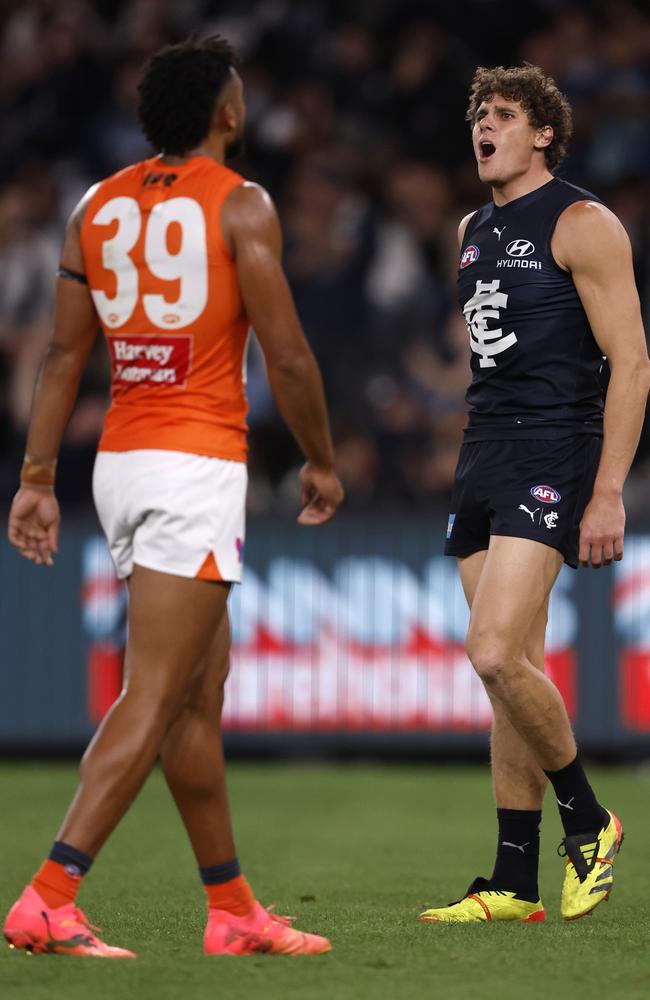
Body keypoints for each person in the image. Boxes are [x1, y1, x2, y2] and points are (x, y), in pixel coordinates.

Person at [4, 36, 343, 958]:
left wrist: (36, 478)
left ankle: (232, 911)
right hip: (195, 465)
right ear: (227, 113)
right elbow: (287, 354)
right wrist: (320, 459)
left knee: (197, 694)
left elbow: (66, 354)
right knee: (154, 695)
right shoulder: (243, 206)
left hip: (121, 460)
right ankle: (48, 895)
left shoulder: (94, 205)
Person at [420, 64, 650, 924]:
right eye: (479, 112)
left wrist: (610, 492)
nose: (485, 125)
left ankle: (590, 822)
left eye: (505, 114)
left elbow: (632, 361)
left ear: (543, 133)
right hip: (484, 454)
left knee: (490, 651)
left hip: (556, 451)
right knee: (508, 673)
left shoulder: (583, 222)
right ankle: (513, 881)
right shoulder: (470, 229)